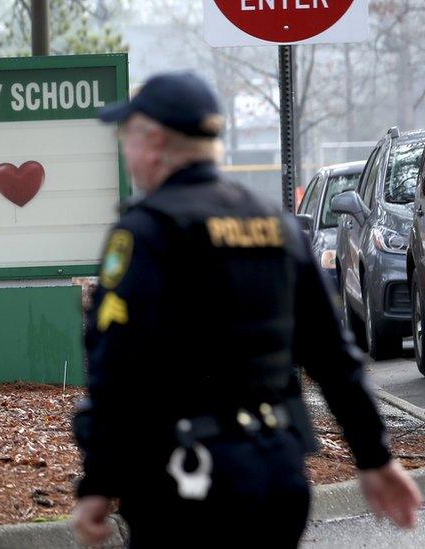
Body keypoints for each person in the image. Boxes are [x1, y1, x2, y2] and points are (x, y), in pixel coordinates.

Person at [73, 72, 421, 547]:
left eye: (125, 137)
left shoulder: (147, 232)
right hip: (277, 474)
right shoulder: (274, 226)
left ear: (153, 142)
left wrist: (97, 482)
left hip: (186, 482)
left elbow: (114, 367)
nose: (125, 152)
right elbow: (332, 356)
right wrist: (374, 457)